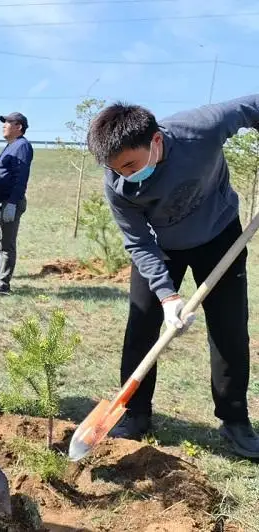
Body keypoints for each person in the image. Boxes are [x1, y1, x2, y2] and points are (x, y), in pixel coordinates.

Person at [87, 96, 259, 458]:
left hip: (219, 235)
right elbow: (137, 242)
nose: (125, 177)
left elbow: (253, 106)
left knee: (229, 330)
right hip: (160, 247)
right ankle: (135, 414)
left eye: (130, 165)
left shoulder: (202, 128)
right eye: (116, 170)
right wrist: (168, 296)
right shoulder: (117, 183)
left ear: (156, 141)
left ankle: (235, 421)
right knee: (141, 327)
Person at [0, 112, 33, 294]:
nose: (3, 125)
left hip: (9, 202)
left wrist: (12, 203)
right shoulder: (10, 146)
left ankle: (3, 284)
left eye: (7, 122)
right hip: (0, 201)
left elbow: (21, 177)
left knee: (7, 244)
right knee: (1, 243)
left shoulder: (22, 146)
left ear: (18, 127)